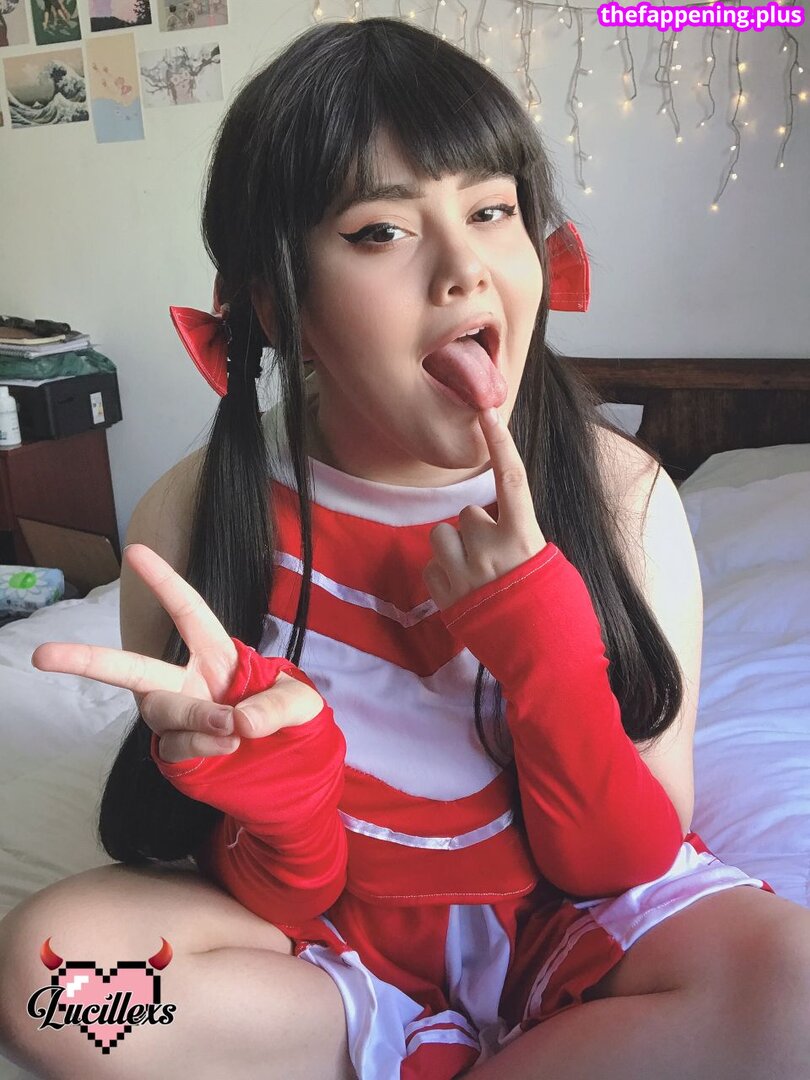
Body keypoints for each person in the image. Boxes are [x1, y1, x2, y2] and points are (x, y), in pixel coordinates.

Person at [2, 16, 810, 1080]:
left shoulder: (623, 499)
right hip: (325, 942)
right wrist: (283, 799)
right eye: (381, 230)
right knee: (58, 980)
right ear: (277, 304)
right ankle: (405, 1040)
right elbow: (263, 886)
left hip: (571, 916)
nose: (464, 269)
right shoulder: (193, 516)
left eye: (491, 211)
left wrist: (547, 656)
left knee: (793, 990)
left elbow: (624, 860)